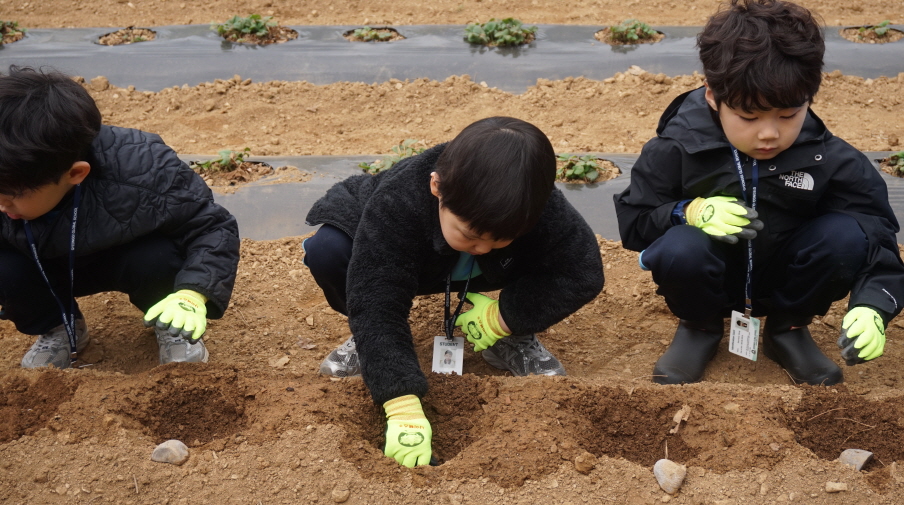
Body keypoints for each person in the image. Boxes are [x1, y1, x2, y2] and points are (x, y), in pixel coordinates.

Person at [614, 0, 904, 386]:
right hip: (708, 279)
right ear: (712, 96)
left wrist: (874, 305)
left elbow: (876, 233)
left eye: (788, 115)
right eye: (749, 117)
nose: (769, 133)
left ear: (808, 98)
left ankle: (788, 330)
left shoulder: (828, 157)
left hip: (790, 279)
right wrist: (687, 211)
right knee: (681, 247)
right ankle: (699, 327)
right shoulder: (677, 147)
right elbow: (635, 222)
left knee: (848, 235)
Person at [304, 116, 603, 467]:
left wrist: (504, 316)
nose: (482, 247)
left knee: (547, 252)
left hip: (492, 270)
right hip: (411, 260)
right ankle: (368, 343)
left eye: (499, 238)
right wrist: (400, 403)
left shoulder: (533, 201)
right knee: (329, 252)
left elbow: (582, 271)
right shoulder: (398, 202)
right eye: (470, 234)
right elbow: (377, 301)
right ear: (437, 187)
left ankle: (511, 338)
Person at [0, 66, 240, 369]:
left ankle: (172, 324)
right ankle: (58, 326)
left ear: (75, 173)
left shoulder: (145, 170)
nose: (2, 204)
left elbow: (212, 227)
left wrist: (192, 294)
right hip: (46, 263)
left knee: (157, 258)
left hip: (127, 256)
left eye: (12, 195)